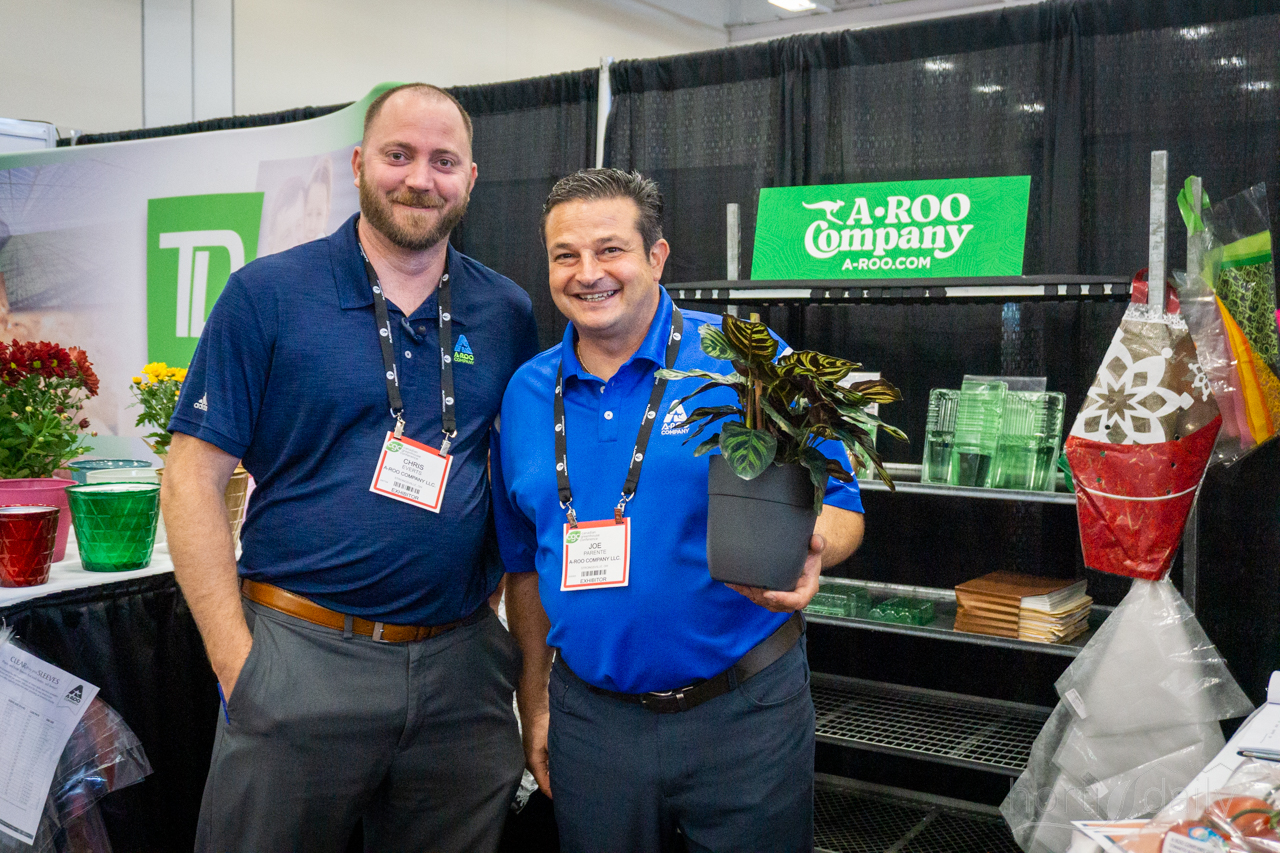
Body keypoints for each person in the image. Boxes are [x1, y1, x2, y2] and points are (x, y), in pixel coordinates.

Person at [164, 82, 539, 853]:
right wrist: (239, 665)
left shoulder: (506, 311)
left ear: (471, 178)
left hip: (460, 673)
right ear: (360, 163)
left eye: (443, 161)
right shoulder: (268, 294)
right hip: (301, 655)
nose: (420, 178)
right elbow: (189, 479)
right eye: (399, 155)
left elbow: (514, 483)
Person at [494, 168, 866, 853]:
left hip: (742, 714)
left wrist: (812, 549)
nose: (588, 273)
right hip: (592, 724)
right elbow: (522, 566)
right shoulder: (525, 393)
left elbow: (842, 507)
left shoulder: (746, 364)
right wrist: (536, 704)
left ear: (657, 256)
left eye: (610, 249)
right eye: (565, 255)